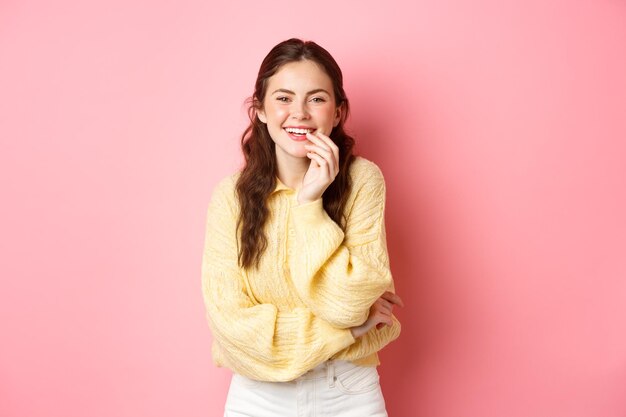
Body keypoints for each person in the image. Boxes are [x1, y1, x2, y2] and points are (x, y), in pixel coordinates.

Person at [201, 38, 404, 417]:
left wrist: (309, 205)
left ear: (338, 111)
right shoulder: (230, 197)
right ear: (260, 109)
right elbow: (232, 328)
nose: (299, 113)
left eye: (316, 98)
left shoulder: (363, 181)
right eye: (283, 98)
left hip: (347, 390)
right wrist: (345, 332)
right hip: (258, 395)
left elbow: (350, 303)